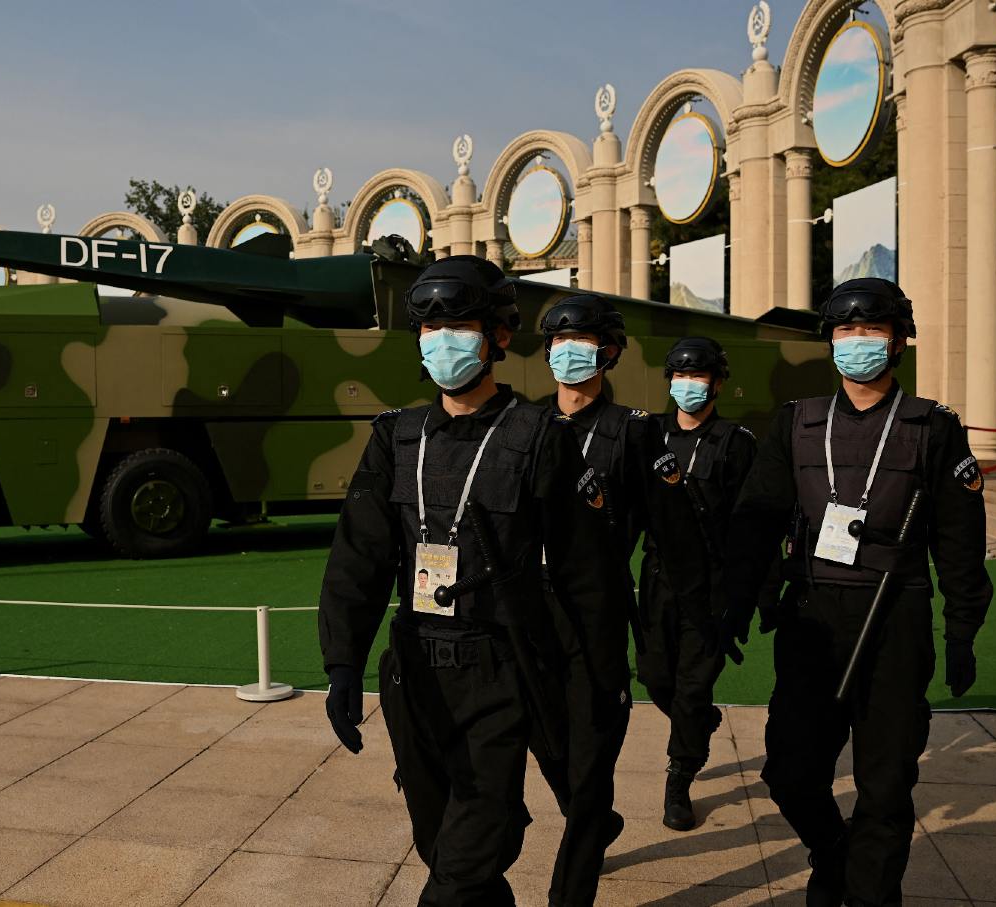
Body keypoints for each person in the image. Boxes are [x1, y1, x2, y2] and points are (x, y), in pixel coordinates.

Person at [319, 256, 614, 906]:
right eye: (430, 327)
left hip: (499, 669)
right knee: (447, 848)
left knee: (459, 867)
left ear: (500, 335)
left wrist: (597, 686)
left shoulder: (539, 437)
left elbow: (584, 574)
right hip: (414, 673)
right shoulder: (395, 438)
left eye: (459, 324)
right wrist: (343, 662)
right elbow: (359, 558)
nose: (442, 340)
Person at [724, 277, 992, 907]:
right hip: (813, 616)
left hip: (894, 613)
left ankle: (870, 893)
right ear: (830, 341)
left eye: (873, 329)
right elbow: (757, 519)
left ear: (898, 342)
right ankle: (834, 851)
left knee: (885, 786)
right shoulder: (796, 421)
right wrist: (737, 601)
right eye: (846, 329)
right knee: (790, 773)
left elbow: (959, 538)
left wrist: (961, 628)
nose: (858, 341)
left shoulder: (933, 426)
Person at [534, 294, 713, 905]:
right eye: (558, 341)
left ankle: (573, 881)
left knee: (589, 761)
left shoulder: (636, 433)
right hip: (529, 617)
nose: (568, 352)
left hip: (599, 619)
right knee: (545, 742)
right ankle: (593, 817)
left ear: (608, 352)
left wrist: (702, 616)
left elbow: (676, 533)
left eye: (581, 341)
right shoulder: (523, 424)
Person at [635, 337, 761, 831]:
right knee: (655, 679)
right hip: (658, 577)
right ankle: (699, 721)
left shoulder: (735, 442)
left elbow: (751, 524)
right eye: (680, 375)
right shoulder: (648, 435)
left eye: (700, 375)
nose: (689, 384)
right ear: (669, 380)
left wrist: (749, 597)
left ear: (718, 383)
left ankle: (679, 778)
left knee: (690, 689)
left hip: (710, 584)